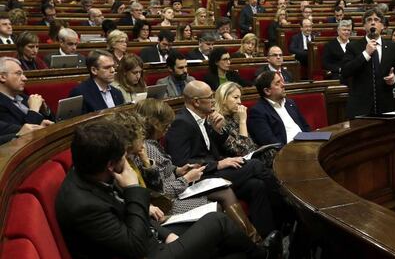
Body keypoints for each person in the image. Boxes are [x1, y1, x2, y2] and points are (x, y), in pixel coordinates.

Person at [56, 120, 279, 259]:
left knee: (233, 250)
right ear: (111, 164)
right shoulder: (83, 204)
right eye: (124, 155)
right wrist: (133, 187)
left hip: (151, 236)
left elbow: (132, 221)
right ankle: (264, 254)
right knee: (215, 221)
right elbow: (135, 245)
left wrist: (164, 233)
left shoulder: (93, 170)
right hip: (146, 252)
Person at [165, 80, 288, 238]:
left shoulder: (205, 117)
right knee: (255, 165)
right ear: (196, 102)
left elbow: (211, 148)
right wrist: (218, 164)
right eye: (210, 97)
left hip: (213, 172)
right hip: (201, 178)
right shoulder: (181, 122)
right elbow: (182, 163)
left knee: (256, 186)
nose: (213, 101)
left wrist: (218, 130)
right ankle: (289, 203)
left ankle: (269, 236)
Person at [129, 99, 263, 242]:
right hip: (168, 202)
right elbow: (161, 191)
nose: (168, 128)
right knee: (251, 170)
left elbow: (165, 171)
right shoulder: (147, 148)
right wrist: (187, 178)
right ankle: (251, 242)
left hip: (177, 188)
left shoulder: (152, 144)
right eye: (165, 124)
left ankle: (252, 240)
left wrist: (178, 170)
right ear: (154, 123)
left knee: (239, 187)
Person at [341, 8, 395, 118]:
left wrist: (394, 78)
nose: (373, 22)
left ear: (383, 26)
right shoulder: (353, 46)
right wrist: (366, 54)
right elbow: (345, 72)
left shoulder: (393, 48)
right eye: (369, 20)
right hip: (360, 107)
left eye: (377, 20)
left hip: (386, 107)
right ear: (364, 26)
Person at [248, 71, 310, 147]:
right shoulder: (258, 112)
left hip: (306, 144)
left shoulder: (289, 103)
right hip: (287, 152)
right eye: (278, 83)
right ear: (267, 91)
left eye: (282, 81)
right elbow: (269, 142)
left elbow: (305, 126)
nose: (283, 85)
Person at [0, 57, 54, 126]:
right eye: (18, 73)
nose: (25, 78)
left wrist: (46, 111)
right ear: (2, 77)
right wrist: (34, 110)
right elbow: (20, 133)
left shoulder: (23, 97)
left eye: (23, 74)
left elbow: (53, 123)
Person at [69, 49, 124, 114]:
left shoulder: (117, 93)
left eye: (113, 66)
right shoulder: (80, 94)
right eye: (107, 67)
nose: (113, 70)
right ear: (94, 70)